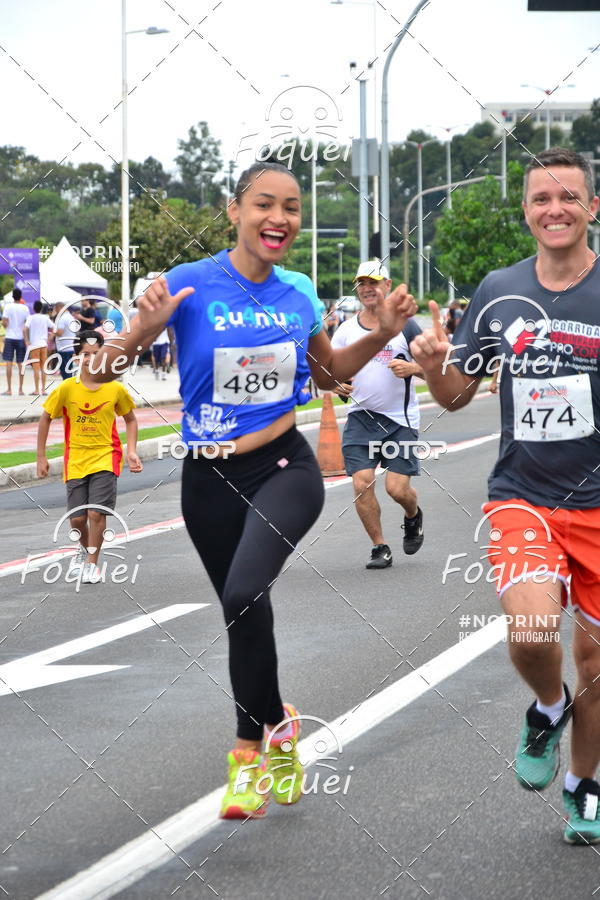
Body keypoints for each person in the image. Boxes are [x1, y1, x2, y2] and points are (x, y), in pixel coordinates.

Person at [86, 161, 417, 819]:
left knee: (243, 592)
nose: (279, 219)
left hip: (285, 469)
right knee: (245, 611)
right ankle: (281, 723)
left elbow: (329, 375)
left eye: (291, 208)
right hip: (206, 477)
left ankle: (246, 755)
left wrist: (380, 334)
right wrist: (140, 332)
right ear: (233, 209)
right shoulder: (186, 285)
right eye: (264, 204)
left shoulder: (296, 294)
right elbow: (97, 374)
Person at [411, 147, 600, 845]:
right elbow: (458, 394)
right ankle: (546, 708)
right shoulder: (498, 288)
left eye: (569, 197)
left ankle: (583, 789)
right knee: (529, 631)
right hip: (523, 493)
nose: (555, 210)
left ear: (592, 208)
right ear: (526, 211)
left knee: (596, 667)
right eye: (541, 199)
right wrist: (434, 369)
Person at [332, 260, 425, 569]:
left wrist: (413, 368)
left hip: (400, 420)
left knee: (397, 489)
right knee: (362, 483)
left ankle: (413, 516)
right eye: (362, 283)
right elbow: (330, 371)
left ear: (387, 285)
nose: (367, 288)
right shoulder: (345, 330)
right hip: (361, 416)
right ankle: (379, 547)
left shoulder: (406, 326)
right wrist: (337, 385)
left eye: (374, 282)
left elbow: (439, 370)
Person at [36, 329, 143, 584]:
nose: (91, 358)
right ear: (75, 358)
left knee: (96, 514)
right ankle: (84, 549)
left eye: (96, 354)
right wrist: (41, 456)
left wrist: (131, 450)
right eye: (85, 354)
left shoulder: (115, 389)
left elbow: (130, 420)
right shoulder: (66, 389)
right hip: (75, 460)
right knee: (77, 518)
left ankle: (93, 564)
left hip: (106, 456)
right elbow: (45, 417)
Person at [24, 300, 55, 395]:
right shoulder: (45, 317)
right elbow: (54, 327)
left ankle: (37, 389)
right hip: (43, 344)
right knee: (43, 368)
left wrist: (27, 340)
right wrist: (50, 337)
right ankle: (43, 389)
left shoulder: (31, 317)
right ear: (41, 308)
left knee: (36, 368)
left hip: (34, 345)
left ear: (34, 308)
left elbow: (25, 328)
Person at [2, 288, 29, 395]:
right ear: (20, 296)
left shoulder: (8, 307)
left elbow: (4, 323)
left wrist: (6, 324)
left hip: (9, 336)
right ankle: (21, 389)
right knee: (21, 364)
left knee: (8, 362)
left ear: (12, 296)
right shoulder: (25, 308)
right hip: (21, 338)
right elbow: (27, 324)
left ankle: (9, 389)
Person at [54, 301, 78, 379]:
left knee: (64, 372)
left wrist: (53, 332)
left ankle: (67, 388)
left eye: (56, 310)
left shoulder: (62, 318)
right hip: (71, 347)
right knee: (69, 370)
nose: (56, 312)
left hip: (63, 348)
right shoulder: (71, 317)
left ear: (60, 308)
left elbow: (60, 332)